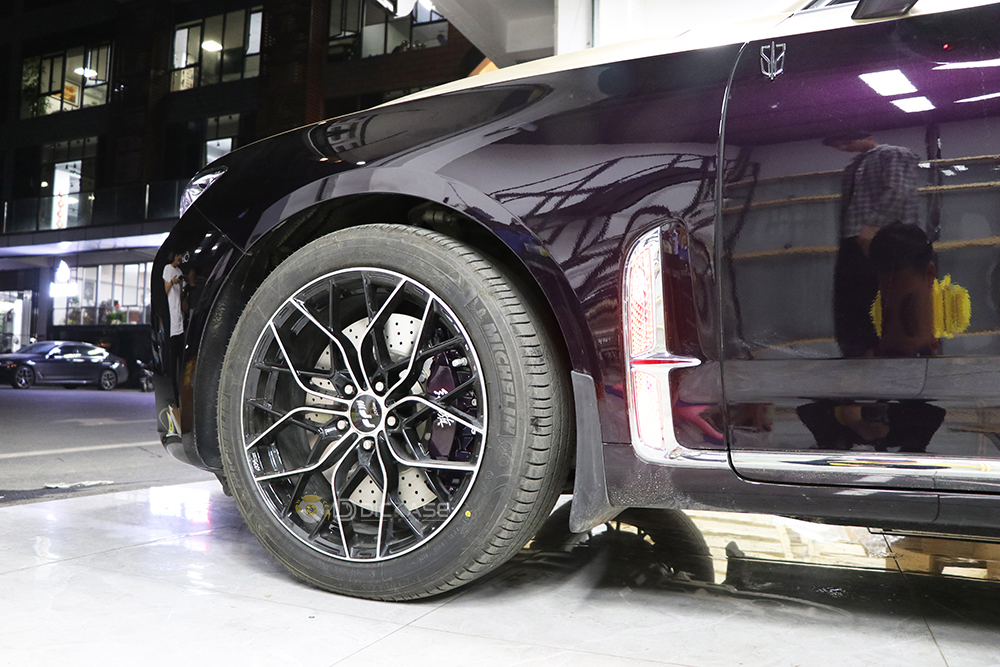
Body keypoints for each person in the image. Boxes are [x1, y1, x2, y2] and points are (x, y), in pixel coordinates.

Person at [823, 131, 920, 357]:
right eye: (839, 146)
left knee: (888, 295)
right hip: (855, 236)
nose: (845, 148)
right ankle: (862, 351)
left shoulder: (892, 153)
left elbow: (899, 190)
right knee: (852, 298)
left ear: (868, 136)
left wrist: (874, 225)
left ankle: (893, 351)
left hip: (887, 234)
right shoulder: (855, 165)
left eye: (848, 141)